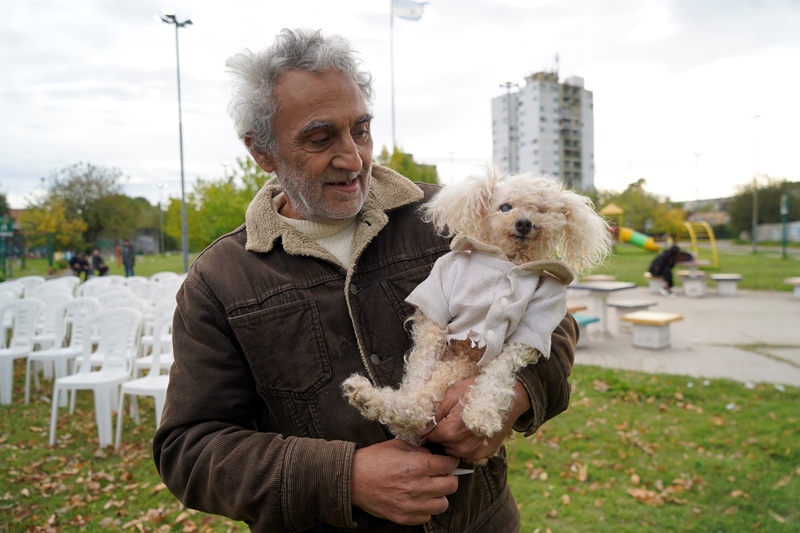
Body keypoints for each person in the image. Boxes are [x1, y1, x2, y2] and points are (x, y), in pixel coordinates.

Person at [153, 28, 577, 533]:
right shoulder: (219, 280)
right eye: (320, 138)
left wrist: (516, 396)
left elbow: (552, 322)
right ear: (262, 152)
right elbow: (189, 450)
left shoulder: (448, 219)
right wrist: (344, 478)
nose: (353, 159)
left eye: (361, 130)